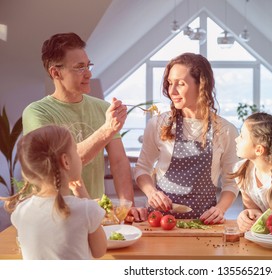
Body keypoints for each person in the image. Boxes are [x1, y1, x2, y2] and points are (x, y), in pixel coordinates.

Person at [22, 32, 146, 222]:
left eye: (88, 65)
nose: (88, 73)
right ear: (55, 72)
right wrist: (106, 130)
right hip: (53, 215)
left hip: (93, 214)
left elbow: (119, 162)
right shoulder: (37, 113)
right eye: (79, 67)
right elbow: (61, 165)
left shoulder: (102, 108)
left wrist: (126, 205)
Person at [133, 52, 239, 224]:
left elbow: (231, 182)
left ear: (202, 85)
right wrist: (152, 193)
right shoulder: (158, 124)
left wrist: (220, 209)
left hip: (203, 223)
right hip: (160, 221)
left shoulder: (225, 130)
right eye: (169, 83)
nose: (172, 91)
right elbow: (142, 169)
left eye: (180, 84)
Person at [0, 125, 107, 259]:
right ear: (66, 161)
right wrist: (85, 197)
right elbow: (100, 251)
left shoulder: (20, 211)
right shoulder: (87, 209)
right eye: (75, 150)